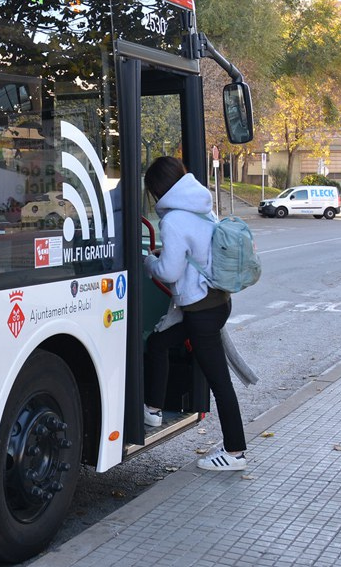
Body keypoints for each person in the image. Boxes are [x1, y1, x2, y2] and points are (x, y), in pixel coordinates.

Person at [141, 155, 248, 472]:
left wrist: (149, 262)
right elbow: (196, 251)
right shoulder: (202, 206)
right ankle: (153, 409)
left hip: (201, 312)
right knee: (159, 344)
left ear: (158, 189)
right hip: (216, 303)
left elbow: (170, 272)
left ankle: (235, 452)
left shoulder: (173, 220)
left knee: (220, 383)